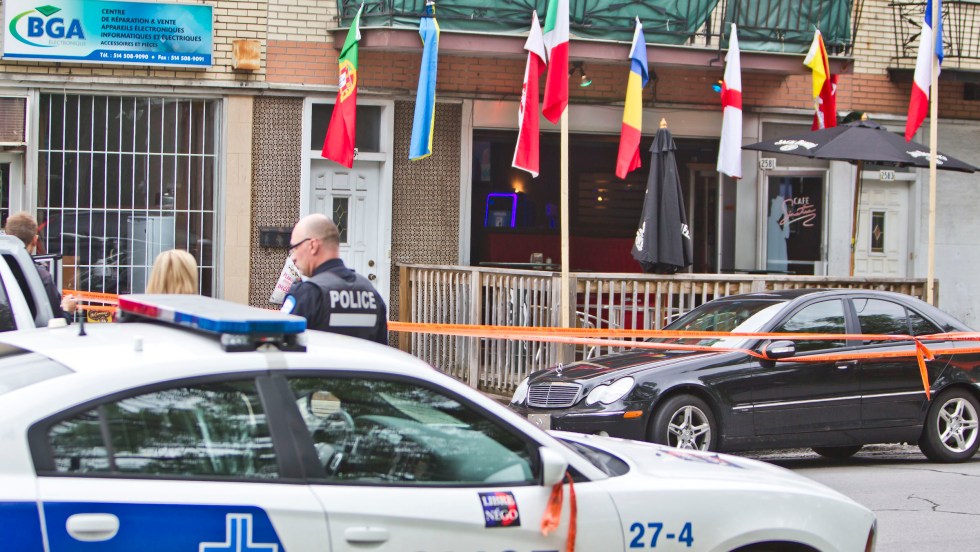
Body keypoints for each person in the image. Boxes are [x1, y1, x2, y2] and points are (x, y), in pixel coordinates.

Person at [281, 214, 388, 344]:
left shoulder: (309, 294)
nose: (293, 257)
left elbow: (283, 345)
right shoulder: (372, 294)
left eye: (295, 248)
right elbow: (382, 351)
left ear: (313, 245)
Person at [3, 212, 76, 322]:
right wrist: (66, 309)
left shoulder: (3, 270)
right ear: (35, 240)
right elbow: (55, 321)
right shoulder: (39, 277)